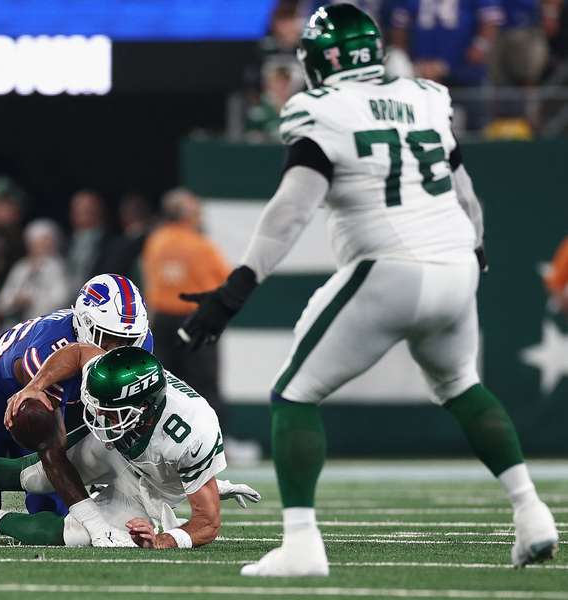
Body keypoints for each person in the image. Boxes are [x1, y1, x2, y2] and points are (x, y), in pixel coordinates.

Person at [177, 4, 558, 576]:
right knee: (462, 385)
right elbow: (464, 187)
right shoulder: (425, 96)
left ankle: (302, 545)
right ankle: (532, 513)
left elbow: (291, 209)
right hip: (455, 263)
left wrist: (236, 288)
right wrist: (474, 246)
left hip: (388, 265)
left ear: (320, 60)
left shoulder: (321, 109)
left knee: (295, 395)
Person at [0, 345, 261, 548]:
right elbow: (81, 351)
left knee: (85, 538)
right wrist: (36, 385)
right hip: (124, 453)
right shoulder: (119, 372)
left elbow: (208, 523)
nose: (98, 419)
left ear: (144, 408)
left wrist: (166, 539)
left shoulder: (190, 431)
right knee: (31, 476)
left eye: (110, 412)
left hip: (150, 483)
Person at [0, 274, 155, 545]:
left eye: (126, 340)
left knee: (51, 516)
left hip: (54, 407)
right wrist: (95, 521)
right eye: (108, 339)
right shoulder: (45, 353)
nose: (117, 351)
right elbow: (52, 449)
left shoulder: (139, 345)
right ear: (84, 326)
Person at [141, 188, 230, 423]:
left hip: (161, 321)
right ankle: (215, 440)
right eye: (195, 211)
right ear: (186, 216)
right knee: (204, 385)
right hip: (194, 322)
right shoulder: (199, 245)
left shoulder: (155, 241)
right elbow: (225, 279)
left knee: (164, 385)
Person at [0, 219, 69, 326]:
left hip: (46, 325)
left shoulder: (58, 267)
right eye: (37, 243)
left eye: (46, 242)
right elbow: (1, 303)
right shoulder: (21, 267)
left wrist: (33, 299)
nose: (42, 247)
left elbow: (62, 299)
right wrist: (16, 300)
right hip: (16, 325)